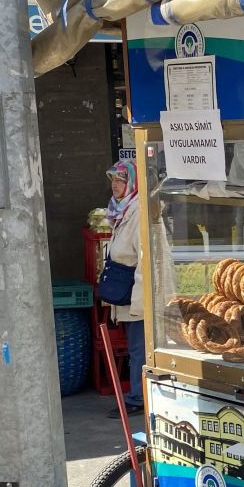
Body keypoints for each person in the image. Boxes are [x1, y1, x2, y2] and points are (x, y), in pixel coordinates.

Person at [104, 160, 144, 417]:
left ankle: (137, 398)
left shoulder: (137, 210)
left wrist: (140, 297)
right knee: (134, 345)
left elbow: (143, 255)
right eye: (113, 181)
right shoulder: (120, 209)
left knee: (138, 347)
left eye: (120, 180)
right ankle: (136, 394)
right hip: (125, 289)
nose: (116, 186)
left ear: (131, 182)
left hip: (135, 290)